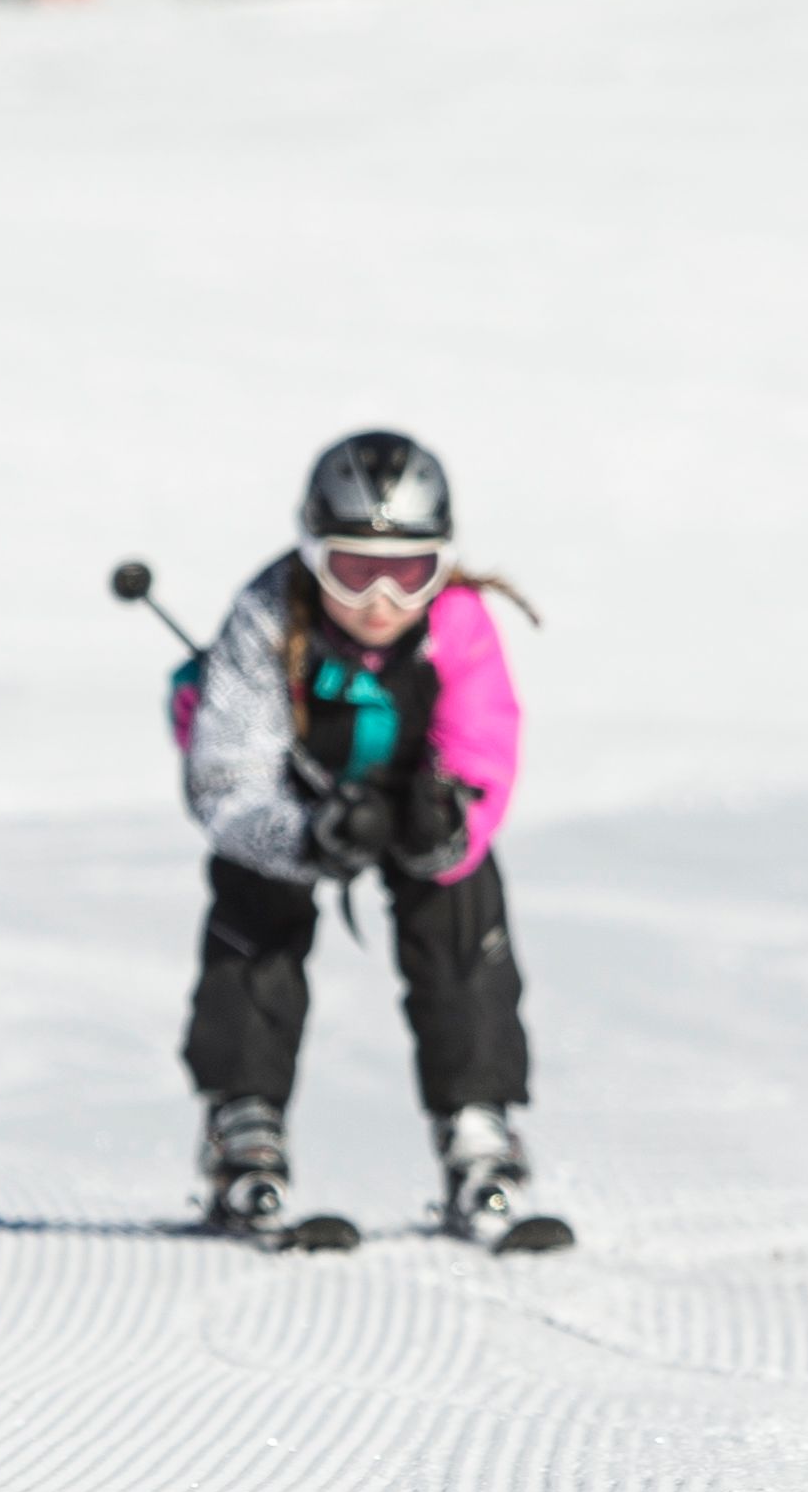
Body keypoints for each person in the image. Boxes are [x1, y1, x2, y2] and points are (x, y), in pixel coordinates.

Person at [175, 432, 566, 1254]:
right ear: (311, 555)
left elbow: (485, 749)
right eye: (352, 571)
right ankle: (243, 1125)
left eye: (411, 572)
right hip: (298, 807)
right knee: (254, 907)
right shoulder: (267, 615)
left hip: (414, 800)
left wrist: (445, 825)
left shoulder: (458, 624)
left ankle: (478, 1127)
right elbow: (224, 778)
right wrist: (304, 838)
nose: (381, 600)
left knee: (461, 906)